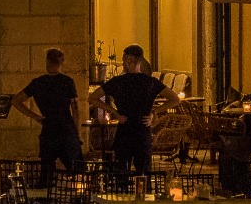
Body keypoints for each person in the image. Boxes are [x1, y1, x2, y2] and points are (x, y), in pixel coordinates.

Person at [13, 48, 84, 187]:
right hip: (66, 128)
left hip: (49, 128)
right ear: (61, 62)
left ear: (47, 61)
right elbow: (75, 110)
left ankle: (44, 200)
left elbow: (16, 101)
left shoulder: (38, 83)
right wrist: (78, 133)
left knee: (46, 171)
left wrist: (35, 117)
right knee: (78, 169)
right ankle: (79, 201)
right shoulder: (67, 81)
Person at [94, 45, 165, 184]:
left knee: (122, 172)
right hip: (142, 129)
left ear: (129, 60)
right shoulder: (150, 82)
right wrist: (154, 112)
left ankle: (121, 199)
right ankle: (143, 200)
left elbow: (93, 98)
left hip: (125, 129)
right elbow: (174, 99)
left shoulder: (117, 82)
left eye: (123, 59)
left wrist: (114, 112)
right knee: (144, 173)